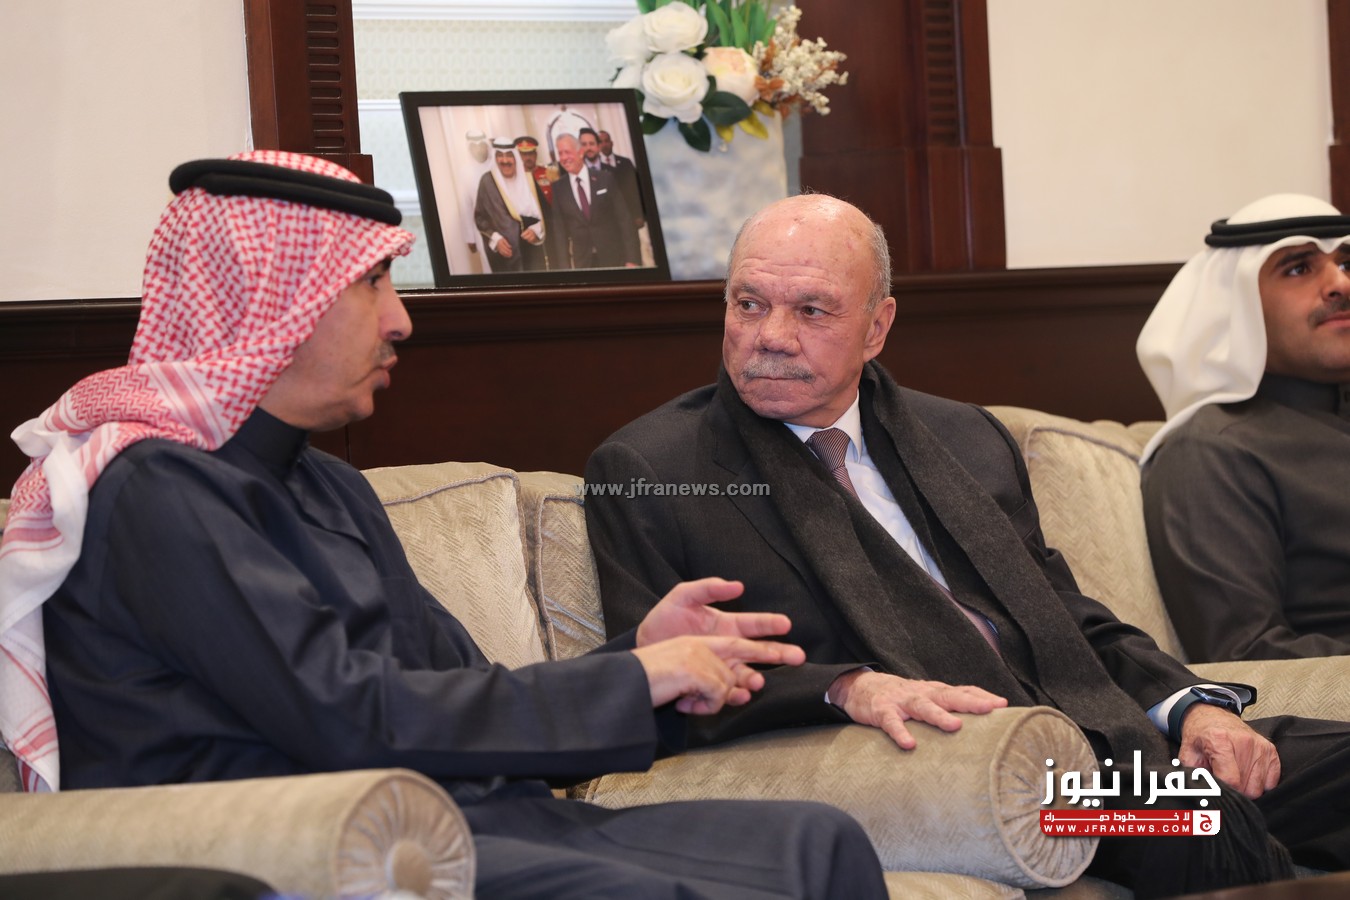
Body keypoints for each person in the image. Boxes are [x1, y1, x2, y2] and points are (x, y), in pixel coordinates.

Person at [0, 153, 887, 900]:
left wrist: (644, 665)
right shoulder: (155, 492)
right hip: (301, 852)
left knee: (815, 843)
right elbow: (348, 717)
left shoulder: (328, 485)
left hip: (461, 820)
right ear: (274, 304)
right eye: (372, 284)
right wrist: (633, 680)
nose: (401, 321)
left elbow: (459, 691)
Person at [584, 193, 1350, 897]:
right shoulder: (654, 470)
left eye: (812, 310)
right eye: (749, 304)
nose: (771, 337)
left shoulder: (962, 437)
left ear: (877, 327)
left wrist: (1193, 710)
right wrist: (844, 686)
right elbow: (659, 681)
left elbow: (1066, 618)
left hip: (1104, 736)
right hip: (993, 777)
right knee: (1192, 817)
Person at [1138, 194, 1350, 662]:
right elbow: (1247, 655)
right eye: (1299, 267)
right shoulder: (1212, 450)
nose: (1340, 283)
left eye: (1346, 263)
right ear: (1238, 306)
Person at [549, 133, 640, 269]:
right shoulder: (558, 188)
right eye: (560, 153)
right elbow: (559, 232)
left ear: (580, 152)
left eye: (567, 152)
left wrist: (632, 259)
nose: (563, 158)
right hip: (583, 262)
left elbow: (624, 219)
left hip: (614, 257)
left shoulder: (605, 178)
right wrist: (565, 269)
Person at [474, 138, 547, 272]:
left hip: (533, 253)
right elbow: (480, 218)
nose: (505, 160)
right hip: (507, 258)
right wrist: (496, 239)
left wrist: (537, 230)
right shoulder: (487, 182)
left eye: (509, 155)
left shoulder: (528, 179)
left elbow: (547, 214)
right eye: (500, 156)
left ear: (516, 158)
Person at [598, 128, 645, 232]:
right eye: (601, 142)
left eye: (606, 141)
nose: (604, 144)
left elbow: (635, 189)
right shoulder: (596, 169)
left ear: (611, 143)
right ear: (598, 145)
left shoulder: (626, 162)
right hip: (610, 222)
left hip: (630, 217)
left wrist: (639, 214)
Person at [515, 135, 553, 205]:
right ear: (519, 156)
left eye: (530, 153)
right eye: (524, 154)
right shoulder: (516, 176)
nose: (528, 158)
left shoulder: (548, 172)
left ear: (536, 154)